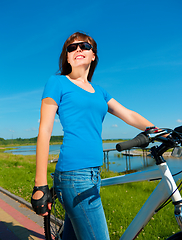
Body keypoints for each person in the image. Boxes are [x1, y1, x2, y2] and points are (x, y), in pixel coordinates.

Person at [31, 31, 156, 240]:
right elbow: (44, 130)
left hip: (94, 174)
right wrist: (40, 184)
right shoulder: (57, 82)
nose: (78, 49)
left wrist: (158, 130)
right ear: (67, 57)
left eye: (84, 46)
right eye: (71, 47)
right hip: (73, 176)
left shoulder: (100, 91)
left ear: (93, 55)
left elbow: (128, 114)